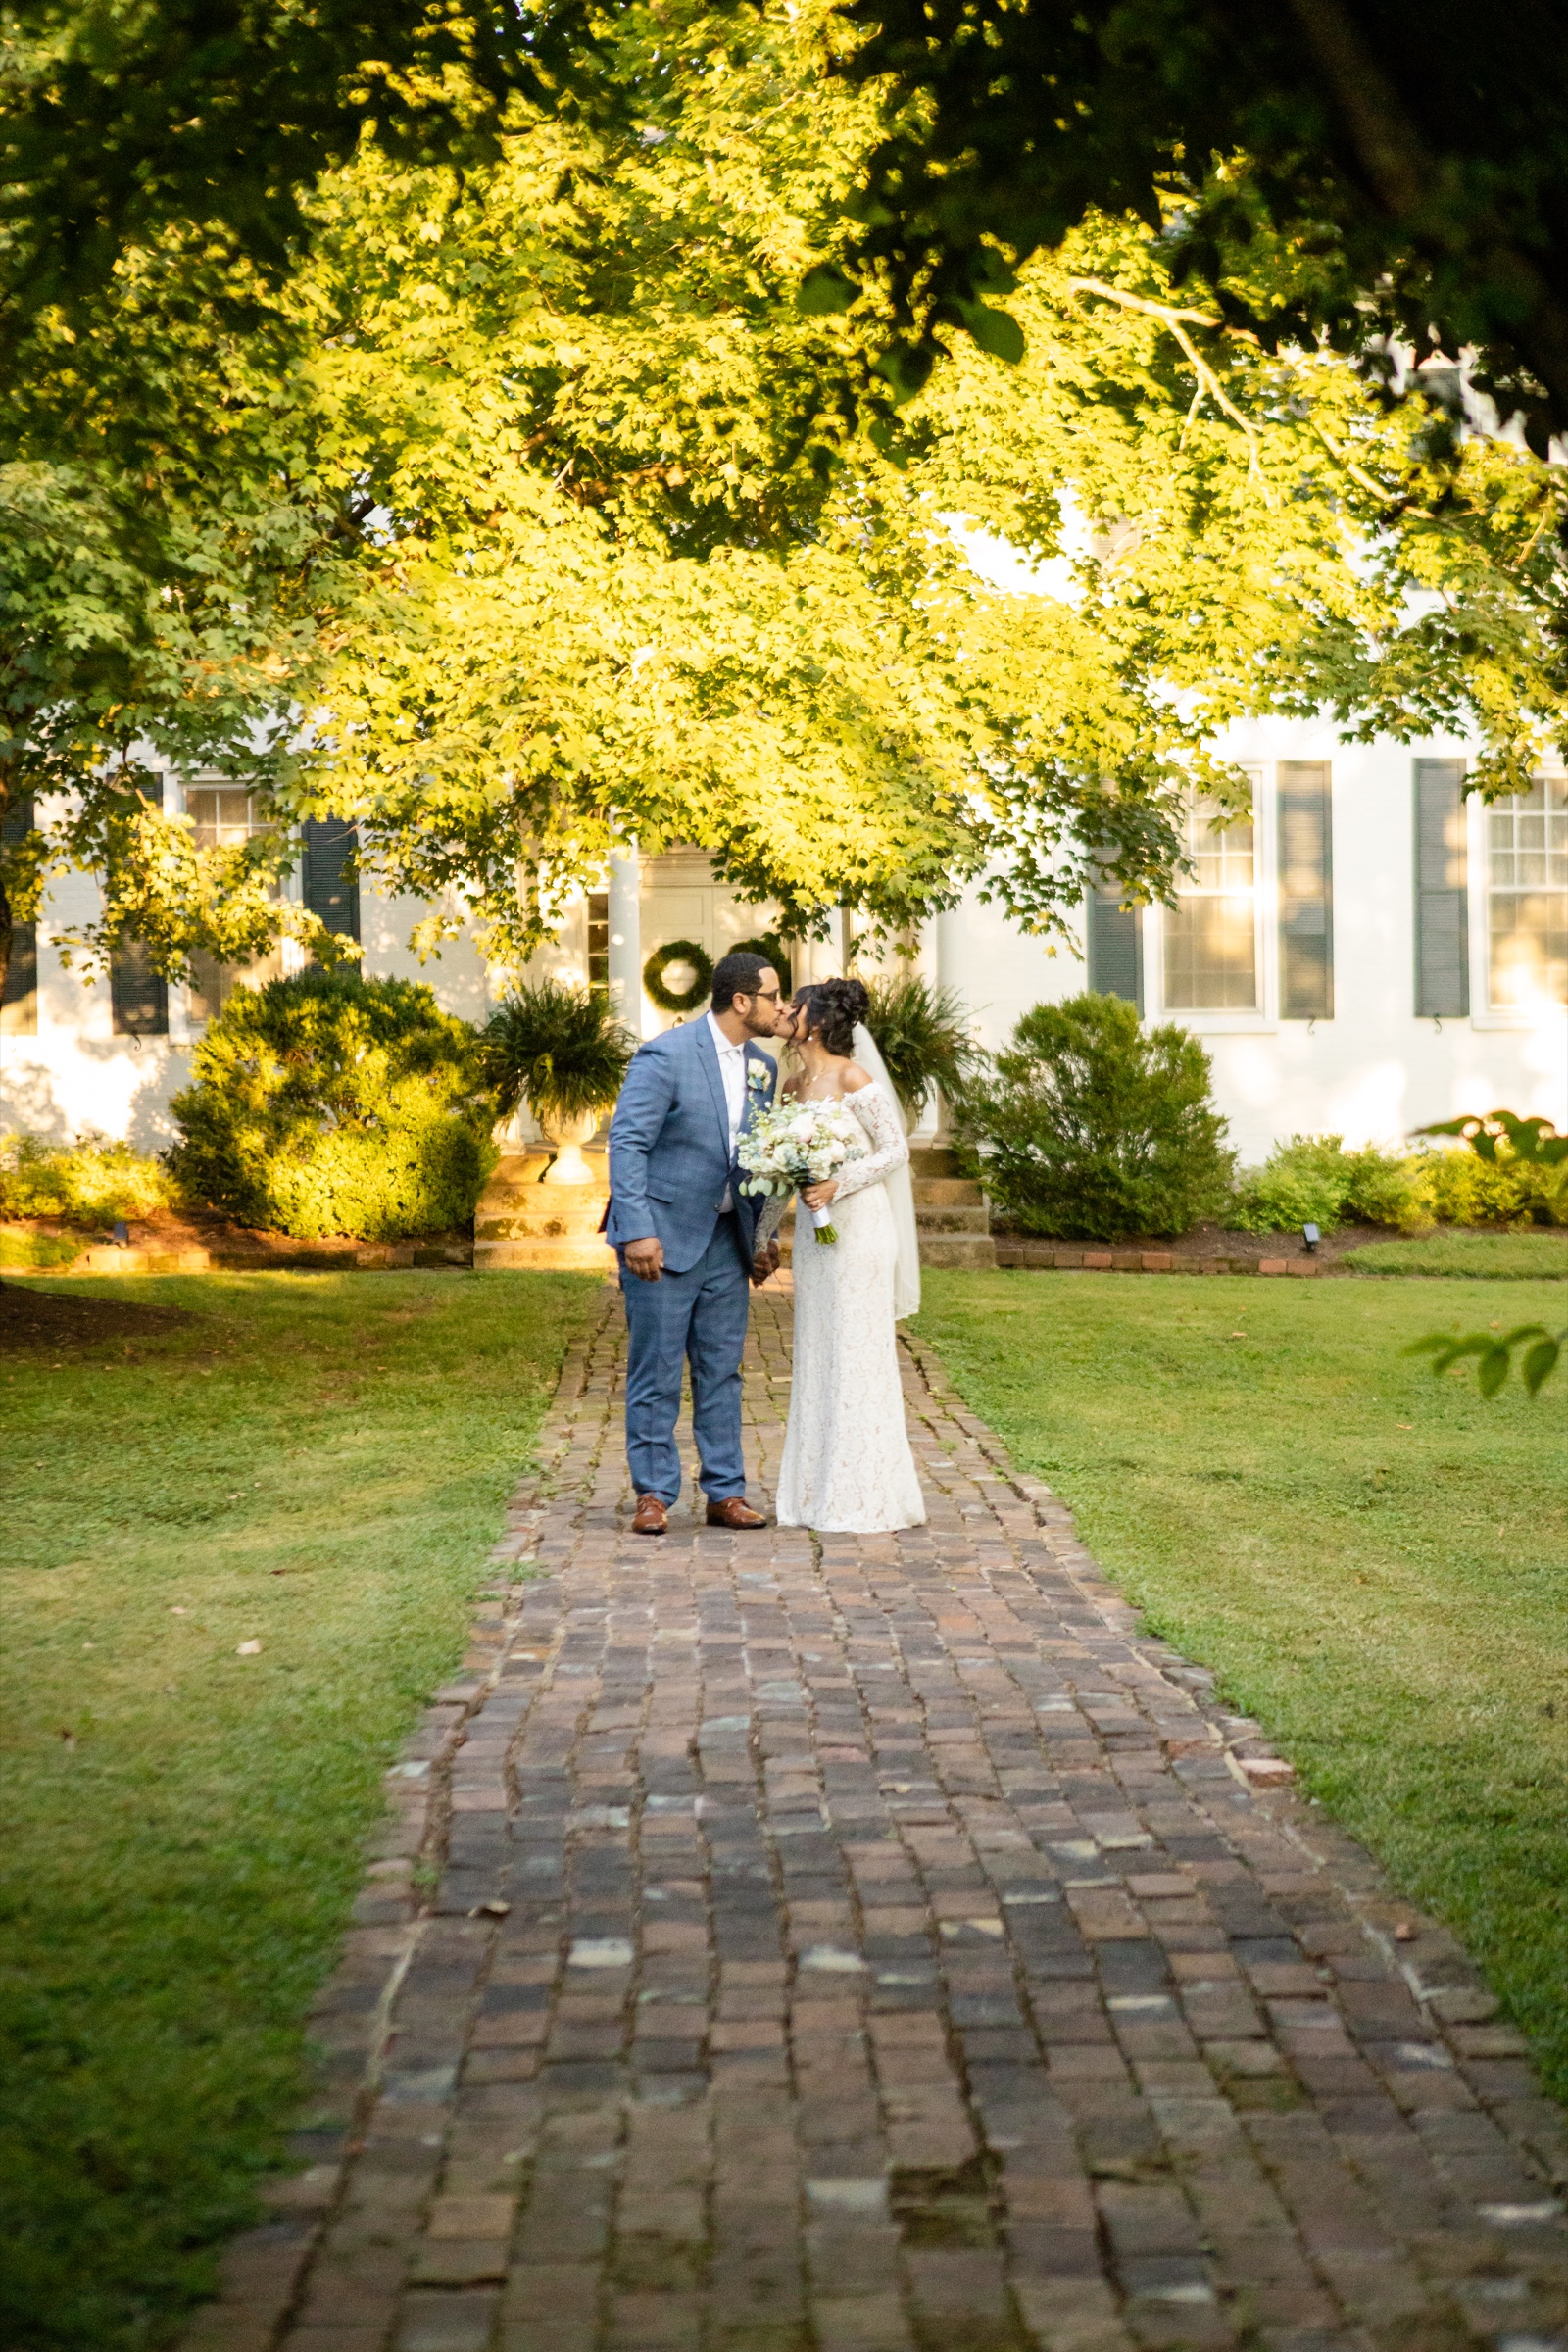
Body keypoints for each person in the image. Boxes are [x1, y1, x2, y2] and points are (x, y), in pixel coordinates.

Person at [606, 951, 786, 1536]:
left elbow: (758, 1159)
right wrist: (636, 1231)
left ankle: (725, 1494)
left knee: (722, 1371)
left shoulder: (763, 1065)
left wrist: (764, 1235)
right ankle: (653, 1494)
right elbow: (627, 1144)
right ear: (741, 1001)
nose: (781, 1007)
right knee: (655, 1370)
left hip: (725, 1243)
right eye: (773, 996)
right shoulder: (668, 1054)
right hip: (661, 1238)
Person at [761, 976, 926, 1534]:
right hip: (815, 1236)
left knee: (857, 1349)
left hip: (859, 1228)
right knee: (818, 1348)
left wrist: (839, 1184)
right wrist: (765, 1235)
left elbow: (895, 1151)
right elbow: (783, 1172)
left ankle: (867, 1492)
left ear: (818, 1018)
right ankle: (814, 1491)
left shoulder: (853, 1077)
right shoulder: (790, 1086)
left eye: (793, 1004)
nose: (783, 1009)